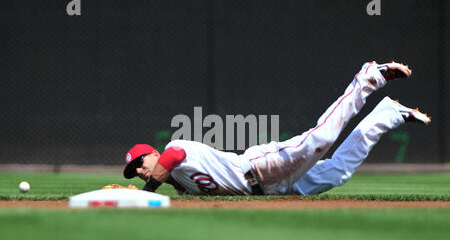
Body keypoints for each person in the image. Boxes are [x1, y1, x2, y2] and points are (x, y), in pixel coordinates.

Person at [123, 61, 430, 196]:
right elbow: (179, 179)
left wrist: (145, 192)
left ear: (152, 153)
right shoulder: (179, 181)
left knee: (320, 137)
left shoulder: (176, 153)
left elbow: (173, 155)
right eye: (133, 171)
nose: (138, 170)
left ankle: (368, 77)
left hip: (261, 168)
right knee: (339, 172)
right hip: (278, 187)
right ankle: (390, 114)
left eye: (139, 162)